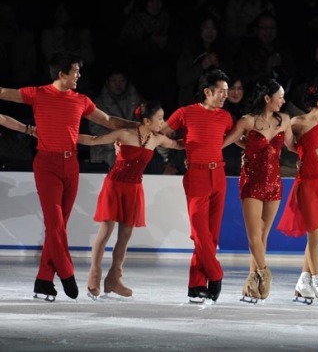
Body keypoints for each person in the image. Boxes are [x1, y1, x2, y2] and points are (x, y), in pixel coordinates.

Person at [0, 51, 138, 301]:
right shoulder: (38, 93)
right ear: (62, 74)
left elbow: (107, 121)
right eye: (75, 71)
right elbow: (3, 93)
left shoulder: (81, 100)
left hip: (71, 164)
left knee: (59, 226)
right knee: (55, 224)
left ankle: (43, 281)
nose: (79, 75)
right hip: (46, 164)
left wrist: (136, 126)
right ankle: (66, 273)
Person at [78, 100, 184, 299]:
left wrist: (206, 138)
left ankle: (113, 279)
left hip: (134, 188)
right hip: (114, 185)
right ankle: (94, 274)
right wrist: (65, 135)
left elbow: (178, 144)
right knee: (106, 231)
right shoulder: (124, 135)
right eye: (159, 119)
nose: (163, 123)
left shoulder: (156, 139)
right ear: (146, 121)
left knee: (124, 236)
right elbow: (93, 140)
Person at [162, 68, 234, 303]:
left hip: (219, 175)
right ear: (207, 91)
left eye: (227, 91)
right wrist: (178, 145)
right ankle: (215, 273)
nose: (226, 95)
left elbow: (234, 139)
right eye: (221, 91)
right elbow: (161, 133)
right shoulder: (185, 113)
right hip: (196, 176)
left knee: (210, 235)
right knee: (199, 232)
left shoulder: (226, 118)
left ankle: (196, 286)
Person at [220, 79, 295, 303]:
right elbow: (224, 142)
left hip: (274, 183)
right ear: (267, 99)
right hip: (252, 182)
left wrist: (315, 154)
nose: (283, 100)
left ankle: (252, 281)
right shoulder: (247, 122)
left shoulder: (285, 120)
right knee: (254, 236)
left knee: (263, 236)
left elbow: (292, 146)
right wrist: (195, 149)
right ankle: (265, 274)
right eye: (280, 96)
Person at [276, 82, 318, 305]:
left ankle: (303, 281)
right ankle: (317, 278)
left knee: (316, 234)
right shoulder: (297, 123)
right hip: (307, 182)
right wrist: (304, 155)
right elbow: (289, 146)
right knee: (313, 234)